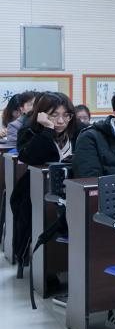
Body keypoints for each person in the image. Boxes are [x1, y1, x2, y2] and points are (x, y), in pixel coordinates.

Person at [11, 92, 80, 269]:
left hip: (72, 188)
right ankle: (44, 267)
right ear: (41, 114)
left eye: (66, 115)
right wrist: (47, 129)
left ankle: (68, 266)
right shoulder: (28, 131)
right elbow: (30, 157)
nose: (61, 121)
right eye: (54, 115)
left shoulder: (79, 131)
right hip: (35, 188)